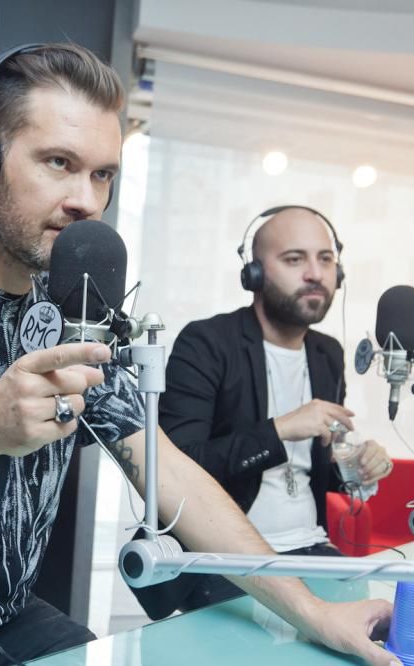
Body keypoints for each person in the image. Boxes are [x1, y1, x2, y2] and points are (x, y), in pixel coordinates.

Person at [0, 44, 395, 666]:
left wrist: (316, 614)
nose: (86, 201)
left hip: (6, 625)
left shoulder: (77, 314)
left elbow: (176, 481)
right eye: (58, 162)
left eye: (102, 174)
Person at [141, 206, 395, 614]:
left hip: (312, 549)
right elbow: (175, 468)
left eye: (325, 259)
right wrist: (280, 429)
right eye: (294, 259)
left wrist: (357, 467)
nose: (315, 273)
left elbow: (313, 468)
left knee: (383, 624)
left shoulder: (327, 354)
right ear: (254, 274)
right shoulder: (207, 343)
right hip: (228, 558)